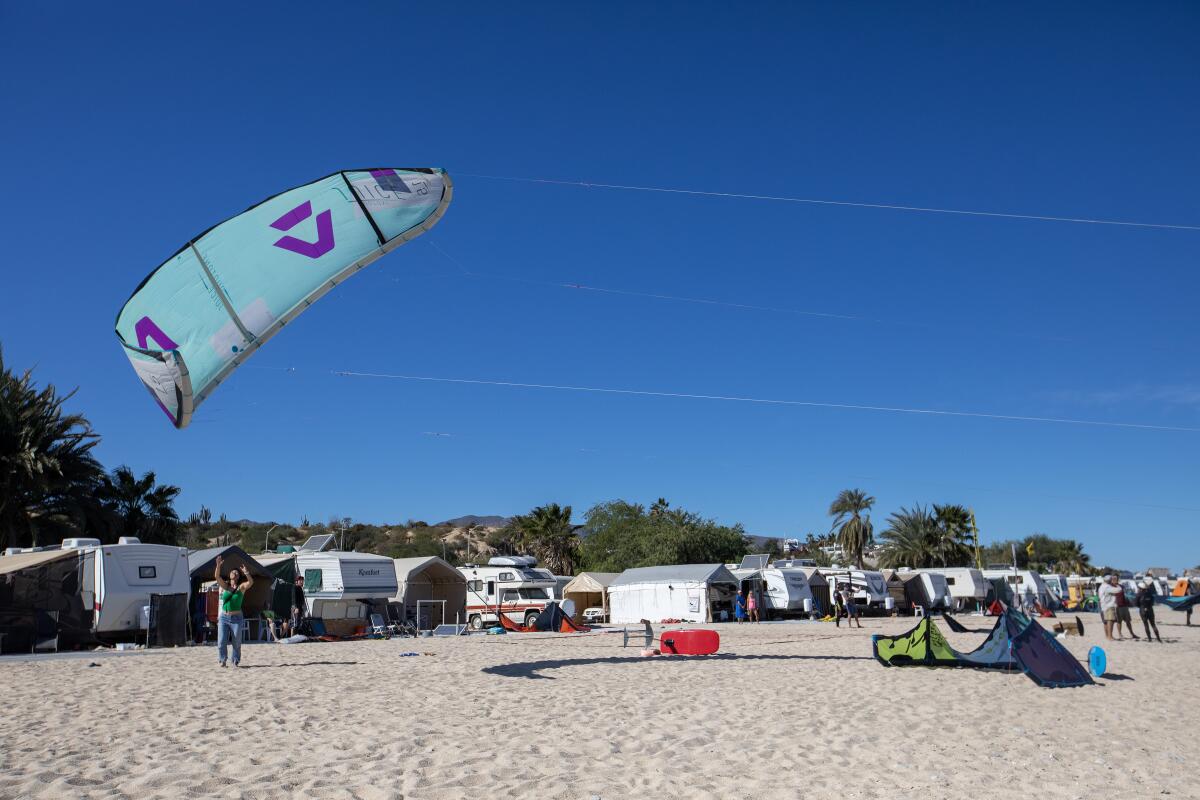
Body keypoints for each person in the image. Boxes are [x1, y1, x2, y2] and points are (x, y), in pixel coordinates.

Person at [214, 555, 253, 667]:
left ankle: (235, 660)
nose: (235, 573)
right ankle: (222, 660)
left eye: (237, 572)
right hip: (224, 617)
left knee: (236, 641)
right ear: (230, 575)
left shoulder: (241, 587)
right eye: (233, 572)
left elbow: (250, 583)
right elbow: (217, 577)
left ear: (238, 576)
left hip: (236, 618)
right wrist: (218, 565)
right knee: (221, 641)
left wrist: (246, 572)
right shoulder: (226, 586)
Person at [1135, 578, 1162, 643]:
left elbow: (1136, 603)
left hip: (1142, 610)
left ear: (1140, 588)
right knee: (1153, 624)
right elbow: (1152, 602)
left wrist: (1141, 607)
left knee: (1146, 625)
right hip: (1150, 610)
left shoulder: (1139, 594)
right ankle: (1158, 638)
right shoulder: (1150, 594)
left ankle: (1150, 639)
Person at [1097, 574, 1124, 641]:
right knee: (1110, 621)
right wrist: (1116, 584)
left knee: (1106, 622)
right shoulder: (1107, 587)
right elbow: (1119, 590)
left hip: (1104, 606)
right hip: (1109, 606)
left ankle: (1108, 636)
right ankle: (1110, 636)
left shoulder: (1102, 586)